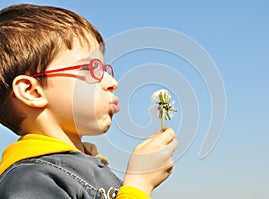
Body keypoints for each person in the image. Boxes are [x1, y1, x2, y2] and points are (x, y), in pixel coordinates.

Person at [0, 4, 178, 199]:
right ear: (32, 91)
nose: (112, 82)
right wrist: (138, 186)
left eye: (104, 69)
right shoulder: (31, 180)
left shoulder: (90, 168)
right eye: (91, 69)